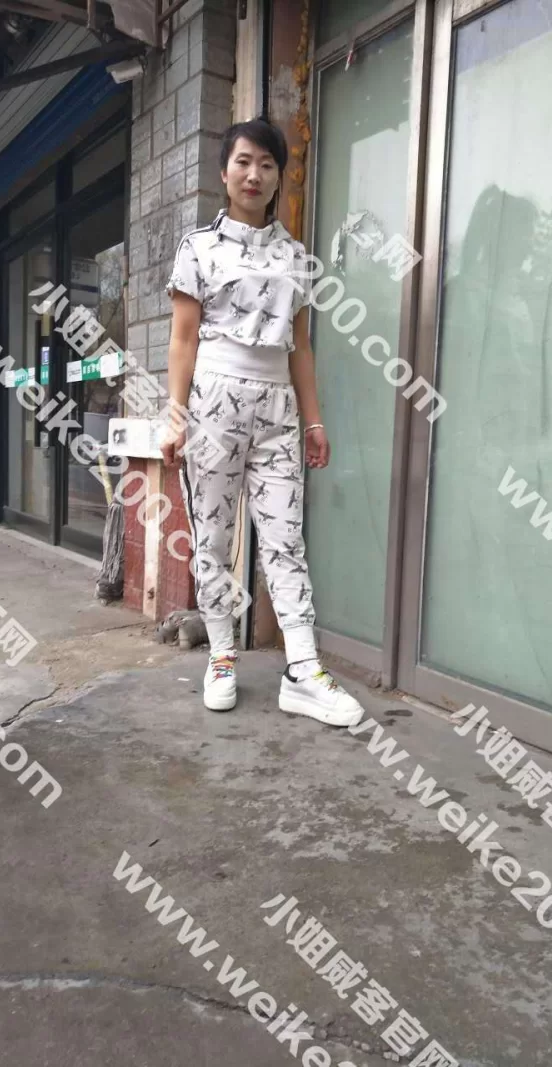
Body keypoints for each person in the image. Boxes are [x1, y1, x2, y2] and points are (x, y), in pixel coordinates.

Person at [162, 117, 364, 729]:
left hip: (278, 410)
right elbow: (182, 339)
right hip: (213, 405)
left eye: (267, 164)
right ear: (224, 172)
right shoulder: (197, 248)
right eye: (244, 162)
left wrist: (314, 422)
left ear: (279, 177)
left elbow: (300, 347)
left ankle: (302, 669)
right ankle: (222, 655)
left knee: (285, 539)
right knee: (213, 538)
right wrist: (174, 416)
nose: (254, 174)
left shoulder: (296, 258)